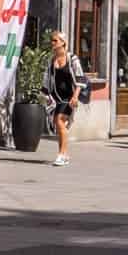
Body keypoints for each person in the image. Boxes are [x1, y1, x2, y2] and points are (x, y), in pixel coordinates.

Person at [43, 30, 83, 166]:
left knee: (59, 121)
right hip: (56, 98)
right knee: (59, 125)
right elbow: (47, 78)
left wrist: (76, 96)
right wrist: (45, 94)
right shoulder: (51, 60)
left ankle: (61, 154)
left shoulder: (72, 59)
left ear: (63, 42)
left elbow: (80, 78)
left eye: (55, 40)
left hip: (69, 98)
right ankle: (65, 155)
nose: (52, 43)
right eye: (52, 40)